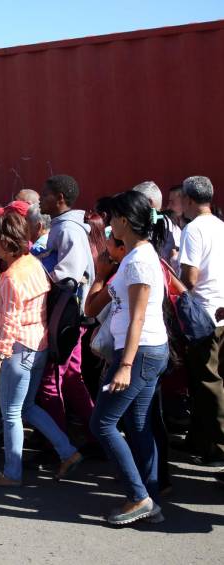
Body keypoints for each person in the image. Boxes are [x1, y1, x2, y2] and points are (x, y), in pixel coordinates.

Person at [0, 213, 82, 486]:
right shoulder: (34, 265)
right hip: (39, 345)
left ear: (5, 241)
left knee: (11, 412)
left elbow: (10, 321)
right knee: (26, 407)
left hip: (18, 349)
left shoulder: (12, 277)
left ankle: (11, 473)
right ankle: (68, 452)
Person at [91, 190, 169, 525]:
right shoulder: (138, 256)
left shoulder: (138, 260)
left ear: (124, 220)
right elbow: (107, 307)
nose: (109, 225)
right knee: (138, 424)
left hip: (138, 355)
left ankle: (139, 498)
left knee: (102, 423)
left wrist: (124, 365)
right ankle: (147, 494)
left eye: (112, 219)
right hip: (146, 351)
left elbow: (138, 316)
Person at [37, 174, 96, 448]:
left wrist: (36, 273)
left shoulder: (69, 230)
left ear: (60, 198)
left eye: (45, 194)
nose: (41, 199)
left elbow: (68, 276)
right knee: (71, 378)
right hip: (69, 315)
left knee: (54, 380)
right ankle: (96, 435)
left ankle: (58, 444)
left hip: (66, 317)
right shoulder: (65, 227)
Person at [178, 176, 224, 466]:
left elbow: (190, 278)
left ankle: (219, 449)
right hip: (219, 312)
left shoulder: (193, 230)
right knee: (204, 381)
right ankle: (200, 439)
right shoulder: (220, 226)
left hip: (203, 315)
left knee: (208, 383)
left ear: (189, 200)